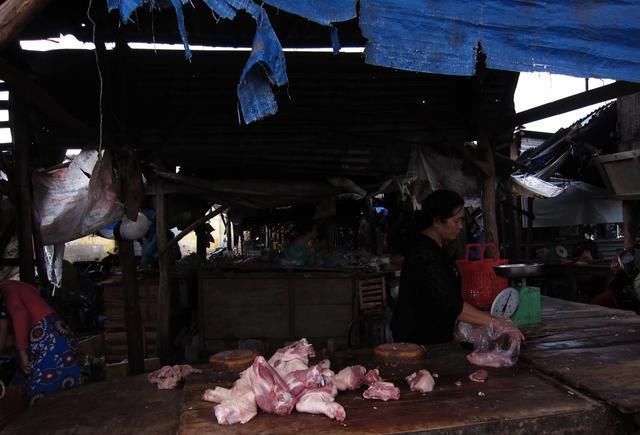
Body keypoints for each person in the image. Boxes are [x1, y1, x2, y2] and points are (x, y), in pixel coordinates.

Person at [391, 189, 524, 345]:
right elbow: (451, 305)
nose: (461, 227)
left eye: (462, 221)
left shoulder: (435, 249)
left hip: (433, 336)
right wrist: (497, 323)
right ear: (437, 221)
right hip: (417, 340)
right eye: (456, 221)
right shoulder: (424, 254)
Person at [0, 280, 81, 405]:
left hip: (46, 333)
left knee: (41, 389)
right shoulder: (15, 285)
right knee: (65, 383)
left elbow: (19, 315)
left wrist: (22, 353)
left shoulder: (7, 289)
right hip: (56, 328)